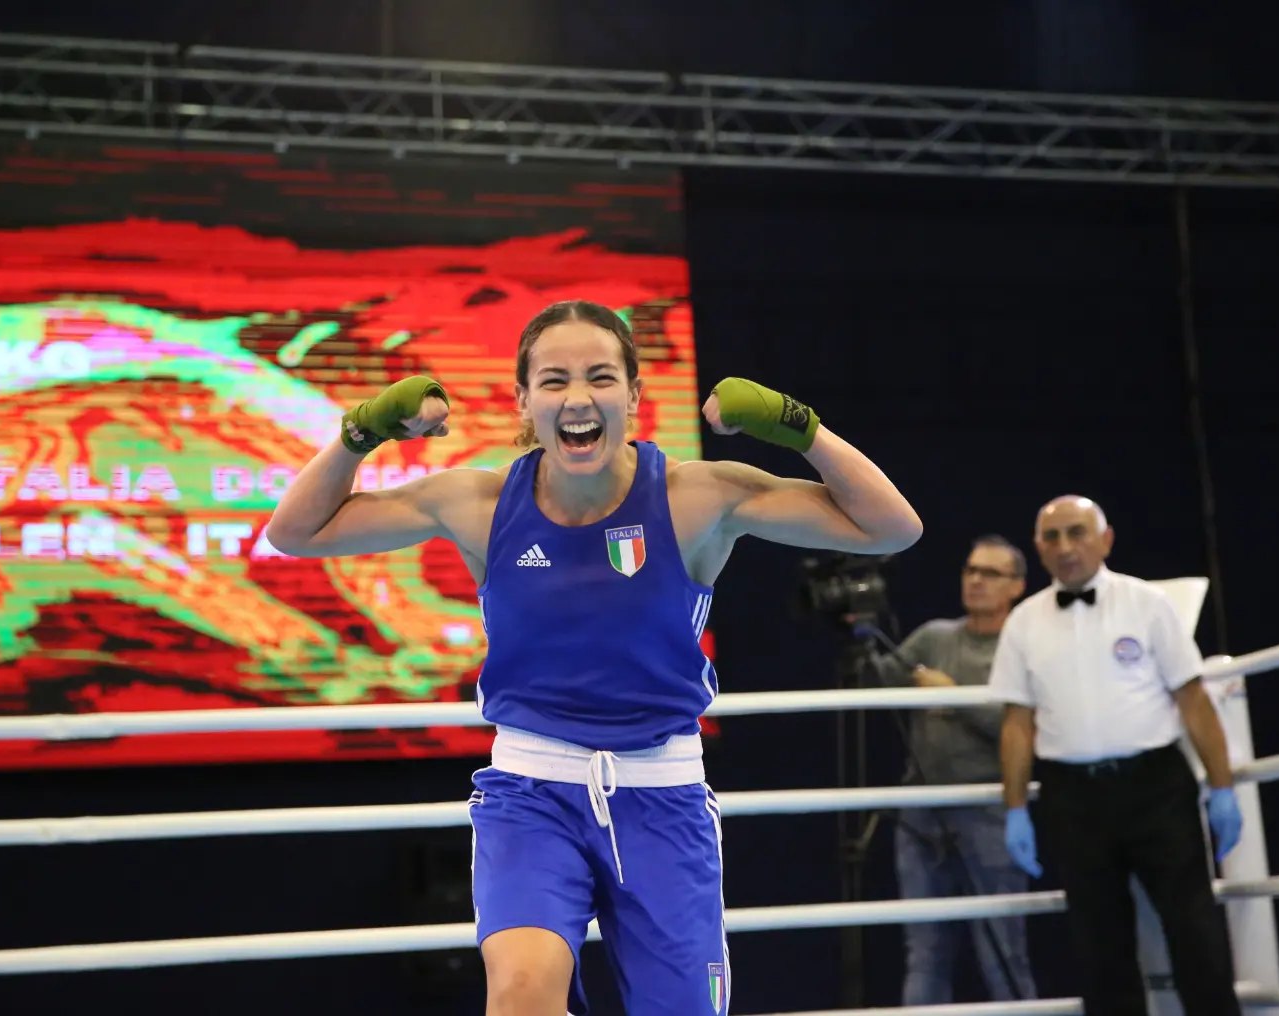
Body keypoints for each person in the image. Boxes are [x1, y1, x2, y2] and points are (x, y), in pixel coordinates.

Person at [266, 300, 922, 1016]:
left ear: (634, 397)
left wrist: (801, 429)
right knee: (520, 996)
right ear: (524, 400)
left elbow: (891, 528)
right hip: (531, 792)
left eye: (600, 377)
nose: (578, 398)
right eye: (554, 380)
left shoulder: (694, 498)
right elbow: (296, 533)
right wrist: (360, 435)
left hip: (662, 795)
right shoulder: (479, 503)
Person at [988, 495, 1243, 1016]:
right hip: (1071, 796)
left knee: (1194, 927)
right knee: (1098, 943)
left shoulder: (1147, 603)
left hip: (1156, 786)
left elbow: (1192, 699)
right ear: (1038, 548)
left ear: (1105, 538)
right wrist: (1014, 808)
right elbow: (1017, 724)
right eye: (1053, 537)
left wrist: (1222, 788)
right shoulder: (1023, 623)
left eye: (1077, 532)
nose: (1066, 547)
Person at [874, 535, 1038, 1005]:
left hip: (989, 812)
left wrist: (953, 695)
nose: (976, 580)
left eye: (990, 573)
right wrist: (859, 633)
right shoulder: (934, 636)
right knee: (924, 953)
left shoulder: (1023, 648)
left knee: (1003, 950)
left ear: (1017, 587)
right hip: (921, 816)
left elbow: (1028, 727)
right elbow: (873, 679)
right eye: (971, 570)